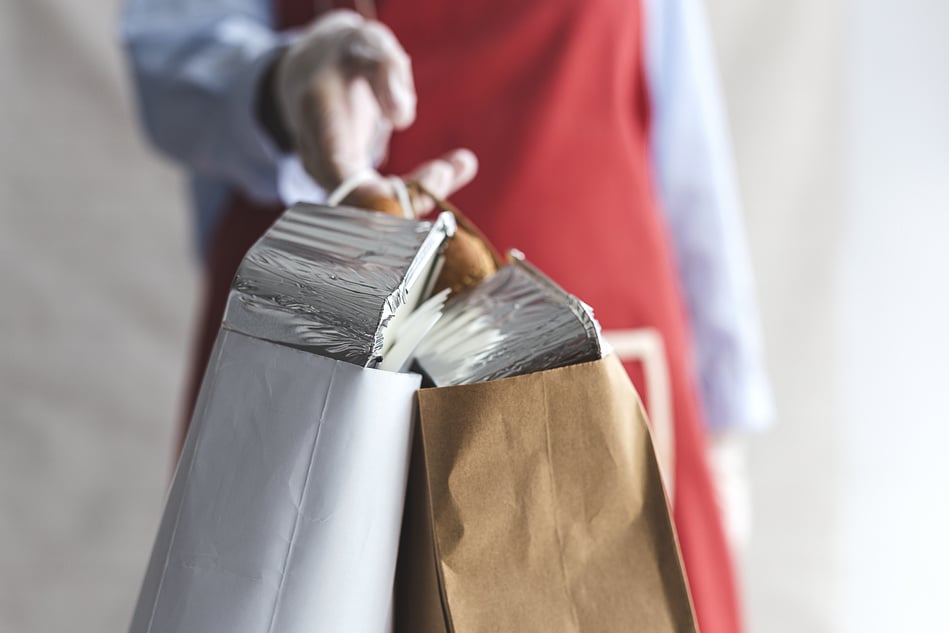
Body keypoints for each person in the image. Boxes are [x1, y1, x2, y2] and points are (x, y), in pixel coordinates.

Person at [122, 1, 774, 632]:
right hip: (333, 345)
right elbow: (173, 49)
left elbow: (681, 127)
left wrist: (722, 409)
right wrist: (276, 86)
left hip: (599, 369)